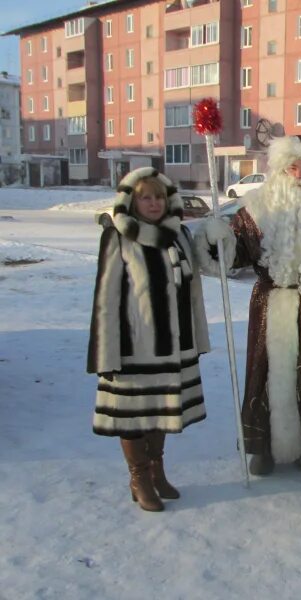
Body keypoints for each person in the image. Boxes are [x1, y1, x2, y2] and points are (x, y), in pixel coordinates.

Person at [196, 135, 301, 477]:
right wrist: (218, 239)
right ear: (279, 169)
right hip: (270, 302)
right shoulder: (257, 209)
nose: (300, 174)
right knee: (264, 372)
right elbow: (236, 256)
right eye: (293, 167)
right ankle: (262, 449)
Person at [87, 167, 210, 512]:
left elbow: (198, 285)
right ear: (132, 200)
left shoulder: (181, 235)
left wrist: (216, 239)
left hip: (175, 346)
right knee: (132, 414)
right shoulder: (118, 237)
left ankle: (157, 471)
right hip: (133, 347)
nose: (154, 203)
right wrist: (105, 351)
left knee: (161, 410)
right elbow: (106, 298)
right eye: (145, 197)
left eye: (158, 196)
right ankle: (138, 477)